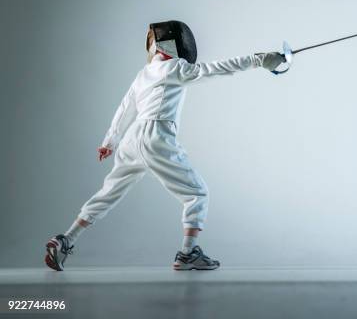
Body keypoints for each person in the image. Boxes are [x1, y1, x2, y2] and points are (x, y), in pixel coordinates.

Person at [45, 20, 285, 271]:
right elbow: (215, 69)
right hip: (156, 135)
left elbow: (126, 108)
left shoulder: (143, 73)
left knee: (108, 193)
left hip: (132, 139)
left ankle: (65, 239)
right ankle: (188, 253)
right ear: (176, 43)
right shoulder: (175, 67)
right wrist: (259, 60)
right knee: (197, 193)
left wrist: (110, 142)